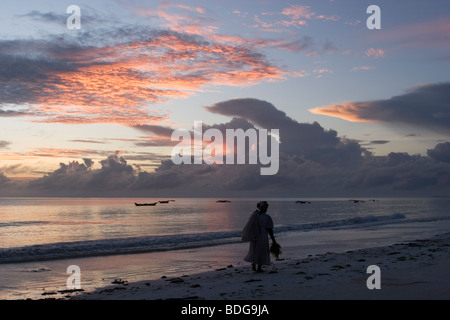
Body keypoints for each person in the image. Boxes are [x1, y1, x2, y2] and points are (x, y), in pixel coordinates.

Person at [242, 201, 276, 272]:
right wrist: (273, 239)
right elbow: (269, 229)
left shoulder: (254, 215)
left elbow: (250, 226)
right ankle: (259, 268)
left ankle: (253, 265)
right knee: (262, 250)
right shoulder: (267, 217)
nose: (266, 209)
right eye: (266, 207)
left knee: (254, 250)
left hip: (254, 235)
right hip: (263, 235)